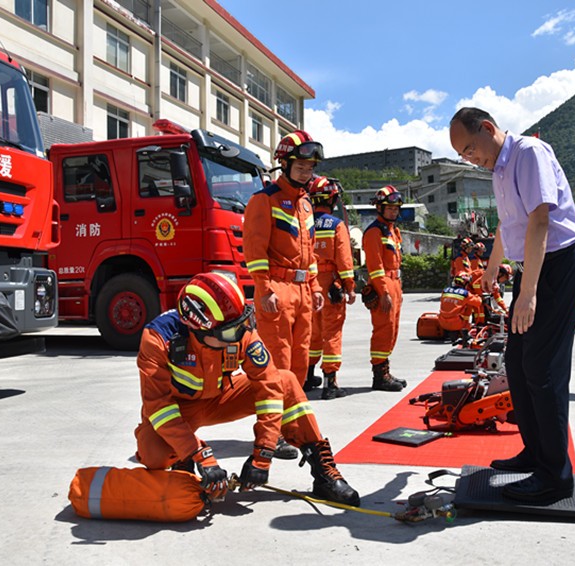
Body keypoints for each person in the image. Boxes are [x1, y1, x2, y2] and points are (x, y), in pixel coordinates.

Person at [450, 107, 575, 505]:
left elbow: (540, 220)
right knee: (518, 362)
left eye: (470, 149)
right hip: (535, 266)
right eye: (463, 155)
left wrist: (528, 293)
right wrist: (492, 267)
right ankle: (536, 452)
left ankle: (555, 475)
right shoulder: (498, 169)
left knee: (544, 368)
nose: (470, 159)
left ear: (488, 128)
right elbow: (507, 224)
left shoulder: (528, 152)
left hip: (557, 265)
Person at [133, 272, 359, 506]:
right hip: (179, 409)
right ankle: (183, 460)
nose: (241, 335)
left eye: (243, 323)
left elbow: (269, 387)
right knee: (153, 452)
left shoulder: (237, 330)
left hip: (222, 397)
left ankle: (324, 472)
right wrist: (197, 453)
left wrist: (263, 453)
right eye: (231, 332)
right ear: (197, 328)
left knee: (285, 382)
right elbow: (159, 407)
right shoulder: (158, 339)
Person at [244, 130, 325, 458]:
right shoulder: (264, 200)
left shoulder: (305, 203)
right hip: (276, 290)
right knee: (277, 365)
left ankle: (291, 429)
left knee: (300, 364)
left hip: (303, 291)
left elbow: (311, 252)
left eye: (310, 167)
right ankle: (271, 433)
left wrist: (315, 286)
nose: (306, 172)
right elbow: (254, 250)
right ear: (285, 164)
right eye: (301, 166)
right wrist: (263, 289)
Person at [306, 176, 356, 400]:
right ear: (333, 199)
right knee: (332, 333)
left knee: (311, 333)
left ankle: (307, 376)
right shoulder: (336, 225)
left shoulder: (303, 224)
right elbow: (344, 261)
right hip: (330, 285)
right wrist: (349, 286)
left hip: (308, 283)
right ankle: (330, 383)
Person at [363, 185, 407, 392]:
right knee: (383, 329)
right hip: (384, 283)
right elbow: (375, 266)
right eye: (389, 208)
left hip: (395, 283)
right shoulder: (374, 232)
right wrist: (383, 292)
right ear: (379, 208)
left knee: (393, 329)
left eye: (396, 208)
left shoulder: (393, 231)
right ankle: (379, 376)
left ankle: (385, 370)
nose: (393, 211)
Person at [437, 272, 482, 343]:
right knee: (469, 305)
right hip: (456, 323)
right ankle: (465, 331)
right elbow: (478, 302)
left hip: (442, 322)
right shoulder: (465, 294)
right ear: (465, 283)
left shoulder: (445, 291)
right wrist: (477, 295)